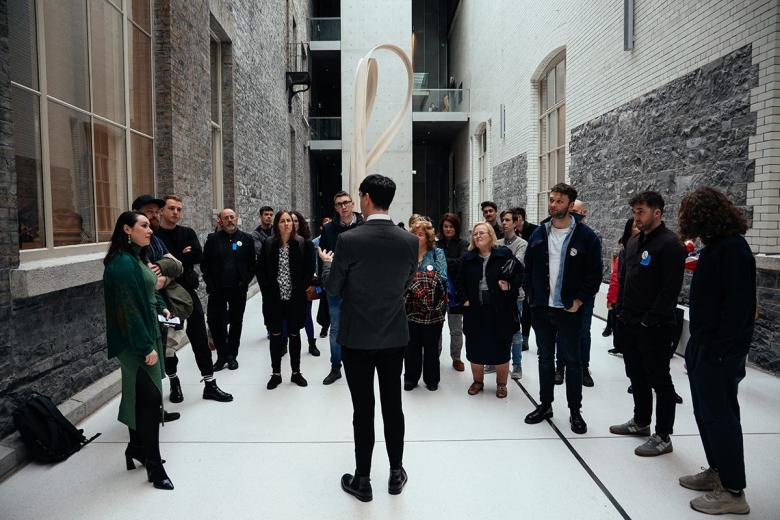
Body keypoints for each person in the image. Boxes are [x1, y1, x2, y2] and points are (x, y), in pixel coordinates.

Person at [318, 174, 417, 502]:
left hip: (356, 336)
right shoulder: (409, 241)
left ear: (366, 198)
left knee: (363, 409)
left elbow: (333, 290)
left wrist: (329, 267)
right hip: (393, 334)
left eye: (359, 197)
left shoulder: (350, 240)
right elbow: (406, 283)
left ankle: (363, 480)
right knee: (393, 405)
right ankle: (395, 473)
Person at [677, 187, 755, 515]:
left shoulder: (734, 249)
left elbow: (739, 309)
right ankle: (718, 473)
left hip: (720, 350)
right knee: (705, 413)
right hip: (704, 344)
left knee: (721, 416)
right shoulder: (714, 247)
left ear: (704, 215)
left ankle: (734, 492)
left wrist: (718, 350)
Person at [609, 191, 686, 457]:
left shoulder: (670, 245)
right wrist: (620, 312)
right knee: (636, 375)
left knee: (659, 379)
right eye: (634, 212)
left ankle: (663, 435)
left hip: (654, 325)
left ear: (657, 212)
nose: (636, 216)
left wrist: (648, 320)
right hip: (628, 320)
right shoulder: (633, 242)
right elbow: (628, 279)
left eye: (641, 211)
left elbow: (669, 289)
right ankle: (641, 422)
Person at [523, 183, 601, 435]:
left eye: (558, 201)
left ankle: (575, 411)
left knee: (572, 361)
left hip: (569, 309)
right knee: (545, 359)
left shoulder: (586, 236)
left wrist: (578, 301)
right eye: (552, 200)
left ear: (570, 204)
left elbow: (594, 274)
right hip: (542, 309)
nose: (553, 204)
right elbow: (529, 268)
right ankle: (545, 405)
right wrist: (532, 298)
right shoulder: (539, 234)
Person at [103, 211, 173, 490]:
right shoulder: (121, 264)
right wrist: (146, 347)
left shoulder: (136, 258)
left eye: (149, 226)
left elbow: (146, 289)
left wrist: (159, 304)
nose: (150, 230)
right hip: (137, 343)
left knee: (140, 397)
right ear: (126, 230)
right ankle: (154, 468)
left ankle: (136, 449)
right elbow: (128, 311)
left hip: (146, 336)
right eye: (143, 226)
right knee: (150, 403)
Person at [156, 195, 233, 403]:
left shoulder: (187, 232)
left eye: (179, 209)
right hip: (165, 299)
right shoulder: (154, 236)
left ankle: (209, 384)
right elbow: (156, 263)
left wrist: (170, 261)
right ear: (162, 211)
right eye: (171, 208)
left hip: (188, 295)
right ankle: (174, 382)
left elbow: (197, 255)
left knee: (199, 336)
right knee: (169, 343)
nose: (176, 213)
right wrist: (181, 257)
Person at [459, 221, 522, 398]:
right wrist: (463, 299)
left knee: (501, 346)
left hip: (500, 309)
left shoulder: (503, 254)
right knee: (475, 346)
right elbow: (459, 281)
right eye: (475, 234)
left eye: (482, 233)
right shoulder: (468, 257)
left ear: (491, 236)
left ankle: (501, 384)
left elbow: (520, 273)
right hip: (475, 309)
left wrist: (509, 285)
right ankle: (478, 381)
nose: (477, 236)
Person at [258, 211, 315, 389]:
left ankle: (296, 372)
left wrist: (300, 286)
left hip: (295, 299)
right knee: (275, 336)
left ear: (293, 223)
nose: (286, 224)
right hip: (274, 299)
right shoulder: (268, 244)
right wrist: (267, 290)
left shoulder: (303, 244)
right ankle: (276, 373)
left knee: (294, 335)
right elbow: (260, 270)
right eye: (282, 221)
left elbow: (309, 269)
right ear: (277, 224)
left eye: (289, 220)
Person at [201, 209, 256, 371]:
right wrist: (210, 284)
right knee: (215, 322)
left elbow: (252, 264)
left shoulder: (246, 239)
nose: (230, 220)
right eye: (226, 218)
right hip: (217, 289)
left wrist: (245, 280)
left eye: (232, 217)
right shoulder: (213, 239)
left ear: (236, 219)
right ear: (220, 221)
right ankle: (222, 355)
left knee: (236, 322)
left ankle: (232, 356)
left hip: (238, 289)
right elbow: (205, 264)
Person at [318, 191, 363, 385]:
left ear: (353, 204)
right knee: (336, 328)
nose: (343, 207)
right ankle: (336, 367)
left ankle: (360, 365)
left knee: (361, 326)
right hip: (337, 285)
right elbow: (324, 258)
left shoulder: (364, 225)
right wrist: (325, 285)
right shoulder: (328, 230)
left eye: (346, 203)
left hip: (361, 286)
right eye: (339, 204)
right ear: (335, 208)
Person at [557, 199, 597, 388]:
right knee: (561, 332)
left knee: (583, 332)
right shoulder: (561, 233)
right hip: (562, 294)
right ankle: (560, 367)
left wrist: (581, 298)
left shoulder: (591, 237)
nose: (572, 213)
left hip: (584, 296)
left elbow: (595, 271)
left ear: (584, 213)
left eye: (576, 210)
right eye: (571, 210)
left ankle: (584, 367)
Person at [403, 218, 448, 391]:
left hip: (433, 307)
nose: (416, 237)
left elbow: (443, 277)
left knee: (431, 346)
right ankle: (411, 379)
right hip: (411, 307)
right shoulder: (406, 254)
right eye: (413, 234)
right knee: (411, 346)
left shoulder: (437, 253)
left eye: (420, 234)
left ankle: (432, 379)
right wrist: (423, 280)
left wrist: (417, 280)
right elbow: (401, 277)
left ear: (428, 237)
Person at [497, 209, 528, 380]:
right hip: (498, 294)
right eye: (503, 220)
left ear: (516, 223)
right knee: (496, 328)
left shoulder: (522, 244)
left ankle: (517, 365)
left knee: (515, 331)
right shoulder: (498, 242)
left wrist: (501, 269)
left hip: (516, 295)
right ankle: (495, 361)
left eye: (508, 220)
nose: (505, 223)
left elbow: (516, 265)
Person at [437, 213, 468, 371]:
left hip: (456, 291)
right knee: (436, 327)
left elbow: (462, 263)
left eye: (451, 226)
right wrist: (451, 262)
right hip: (437, 292)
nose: (448, 229)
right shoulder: (436, 244)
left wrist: (442, 261)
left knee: (456, 329)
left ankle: (456, 357)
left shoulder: (464, 244)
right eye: (446, 226)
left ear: (456, 228)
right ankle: (435, 356)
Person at [607, 218, 639, 356]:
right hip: (624, 296)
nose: (639, 227)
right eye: (635, 226)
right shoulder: (625, 250)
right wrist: (612, 297)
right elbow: (618, 276)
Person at [291, 211, 320, 356]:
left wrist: (305, 284)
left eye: (296, 221)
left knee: (307, 315)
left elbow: (311, 267)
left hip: (303, 285)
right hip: (287, 287)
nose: (293, 223)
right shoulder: (279, 242)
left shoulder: (307, 243)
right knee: (287, 316)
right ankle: (285, 343)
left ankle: (311, 343)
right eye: (290, 220)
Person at [513, 207, 537, 350]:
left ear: (521, 218)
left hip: (531, 274)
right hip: (519, 275)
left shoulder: (534, 230)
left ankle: (534, 340)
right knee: (523, 311)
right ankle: (524, 339)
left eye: (515, 219)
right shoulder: (513, 234)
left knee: (531, 309)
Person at [313, 216, 333, 338]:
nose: (327, 225)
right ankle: (324, 327)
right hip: (321, 277)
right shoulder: (315, 242)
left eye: (329, 223)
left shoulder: (335, 239)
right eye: (325, 223)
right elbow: (314, 261)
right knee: (323, 301)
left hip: (331, 276)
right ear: (321, 227)